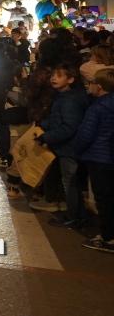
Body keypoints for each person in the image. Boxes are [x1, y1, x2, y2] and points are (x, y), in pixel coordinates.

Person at [37, 63, 91, 229]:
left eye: (59, 76)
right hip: (67, 146)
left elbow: (69, 127)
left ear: (71, 80)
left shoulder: (70, 100)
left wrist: (46, 136)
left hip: (69, 148)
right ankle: (77, 215)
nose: (53, 78)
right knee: (70, 182)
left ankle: (74, 217)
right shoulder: (64, 96)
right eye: (53, 75)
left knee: (70, 183)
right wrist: (44, 124)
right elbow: (58, 119)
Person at [75, 68, 114, 252]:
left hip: (99, 157)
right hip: (109, 156)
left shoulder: (97, 107)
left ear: (98, 87)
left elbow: (86, 134)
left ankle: (108, 238)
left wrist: (78, 150)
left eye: (90, 83)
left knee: (103, 199)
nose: (88, 86)